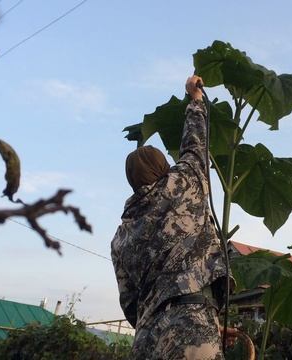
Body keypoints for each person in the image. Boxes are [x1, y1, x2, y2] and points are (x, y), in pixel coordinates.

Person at [111, 75, 228, 359]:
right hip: (193, 326)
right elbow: (195, 144)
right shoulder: (184, 183)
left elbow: (129, 303)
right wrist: (195, 100)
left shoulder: (120, 237)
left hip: (147, 339)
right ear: (164, 167)